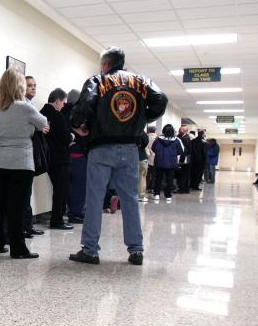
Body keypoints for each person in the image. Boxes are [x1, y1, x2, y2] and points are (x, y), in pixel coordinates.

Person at [68, 47, 167, 266]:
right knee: (130, 198)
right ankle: (136, 250)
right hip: (130, 149)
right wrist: (141, 117)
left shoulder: (98, 80)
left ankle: (90, 250)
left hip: (101, 147)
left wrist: (77, 125)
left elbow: (84, 105)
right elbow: (161, 99)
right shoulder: (141, 81)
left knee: (94, 198)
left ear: (105, 65)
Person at [0, 68, 49, 259]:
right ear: (19, 85)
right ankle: (18, 249)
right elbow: (43, 123)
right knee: (17, 207)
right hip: (20, 164)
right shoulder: (25, 107)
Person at [40, 88, 73, 230]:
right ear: (57, 100)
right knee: (61, 190)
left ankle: (57, 219)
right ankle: (57, 220)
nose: (64, 106)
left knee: (58, 189)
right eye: (63, 103)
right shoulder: (56, 115)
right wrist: (72, 137)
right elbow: (65, 137)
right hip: (60, 158)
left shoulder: (41, 113)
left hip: (48, 157)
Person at [22, 75, 45, 239]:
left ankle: (27, 226)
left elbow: (43, 124)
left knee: (27, 193)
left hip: (29, 154)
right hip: (21, 155)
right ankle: (24, 227)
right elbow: (41, 124)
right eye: (30, 85)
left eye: (35, 85)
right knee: (23, 194)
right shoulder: (22, 106)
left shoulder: (31, 106)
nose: (33, 88)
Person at [64, 89, 87, 223]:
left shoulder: (61, 113)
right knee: (80, 186)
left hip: (66, 155)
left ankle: (70, 210)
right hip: (79, 154)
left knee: (69, 186)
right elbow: (84, 132)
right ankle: (76, 213)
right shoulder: (78, 114)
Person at [150, 124, 183, 203]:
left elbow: (153, 149)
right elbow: (180, 152)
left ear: (163, 131)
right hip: (171, 163)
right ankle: (168, 195)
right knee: (169, 180)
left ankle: (157, 194)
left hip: (159, 162)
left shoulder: (158, 140)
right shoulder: (176, 140)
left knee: (158, 179)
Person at [176, 125, 192, 193]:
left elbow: (185, 150)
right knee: (181, 174)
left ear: (185, 131)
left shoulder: (185, 138)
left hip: (184, 159)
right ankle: (182, 187)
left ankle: (183, 188)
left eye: (181, 129)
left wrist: (182, 159)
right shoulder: (180, 137)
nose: (179, 130)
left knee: (183, 174)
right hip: (182, 158)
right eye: (179, 129)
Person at [136, 130, 150, 202]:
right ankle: (141, 196)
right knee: (141, 177)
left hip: (128, 157)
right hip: (141, 156)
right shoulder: (140, 130)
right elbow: (146, 141)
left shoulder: (127, 128)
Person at [145, 125, 157, 192]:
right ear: (154, 130)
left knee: (147, 174)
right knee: (154, 174)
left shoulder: (146, 137)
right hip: (154, 157)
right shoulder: (157, 138)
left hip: (146, 157)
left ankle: (146, 187)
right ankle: (152, 188)